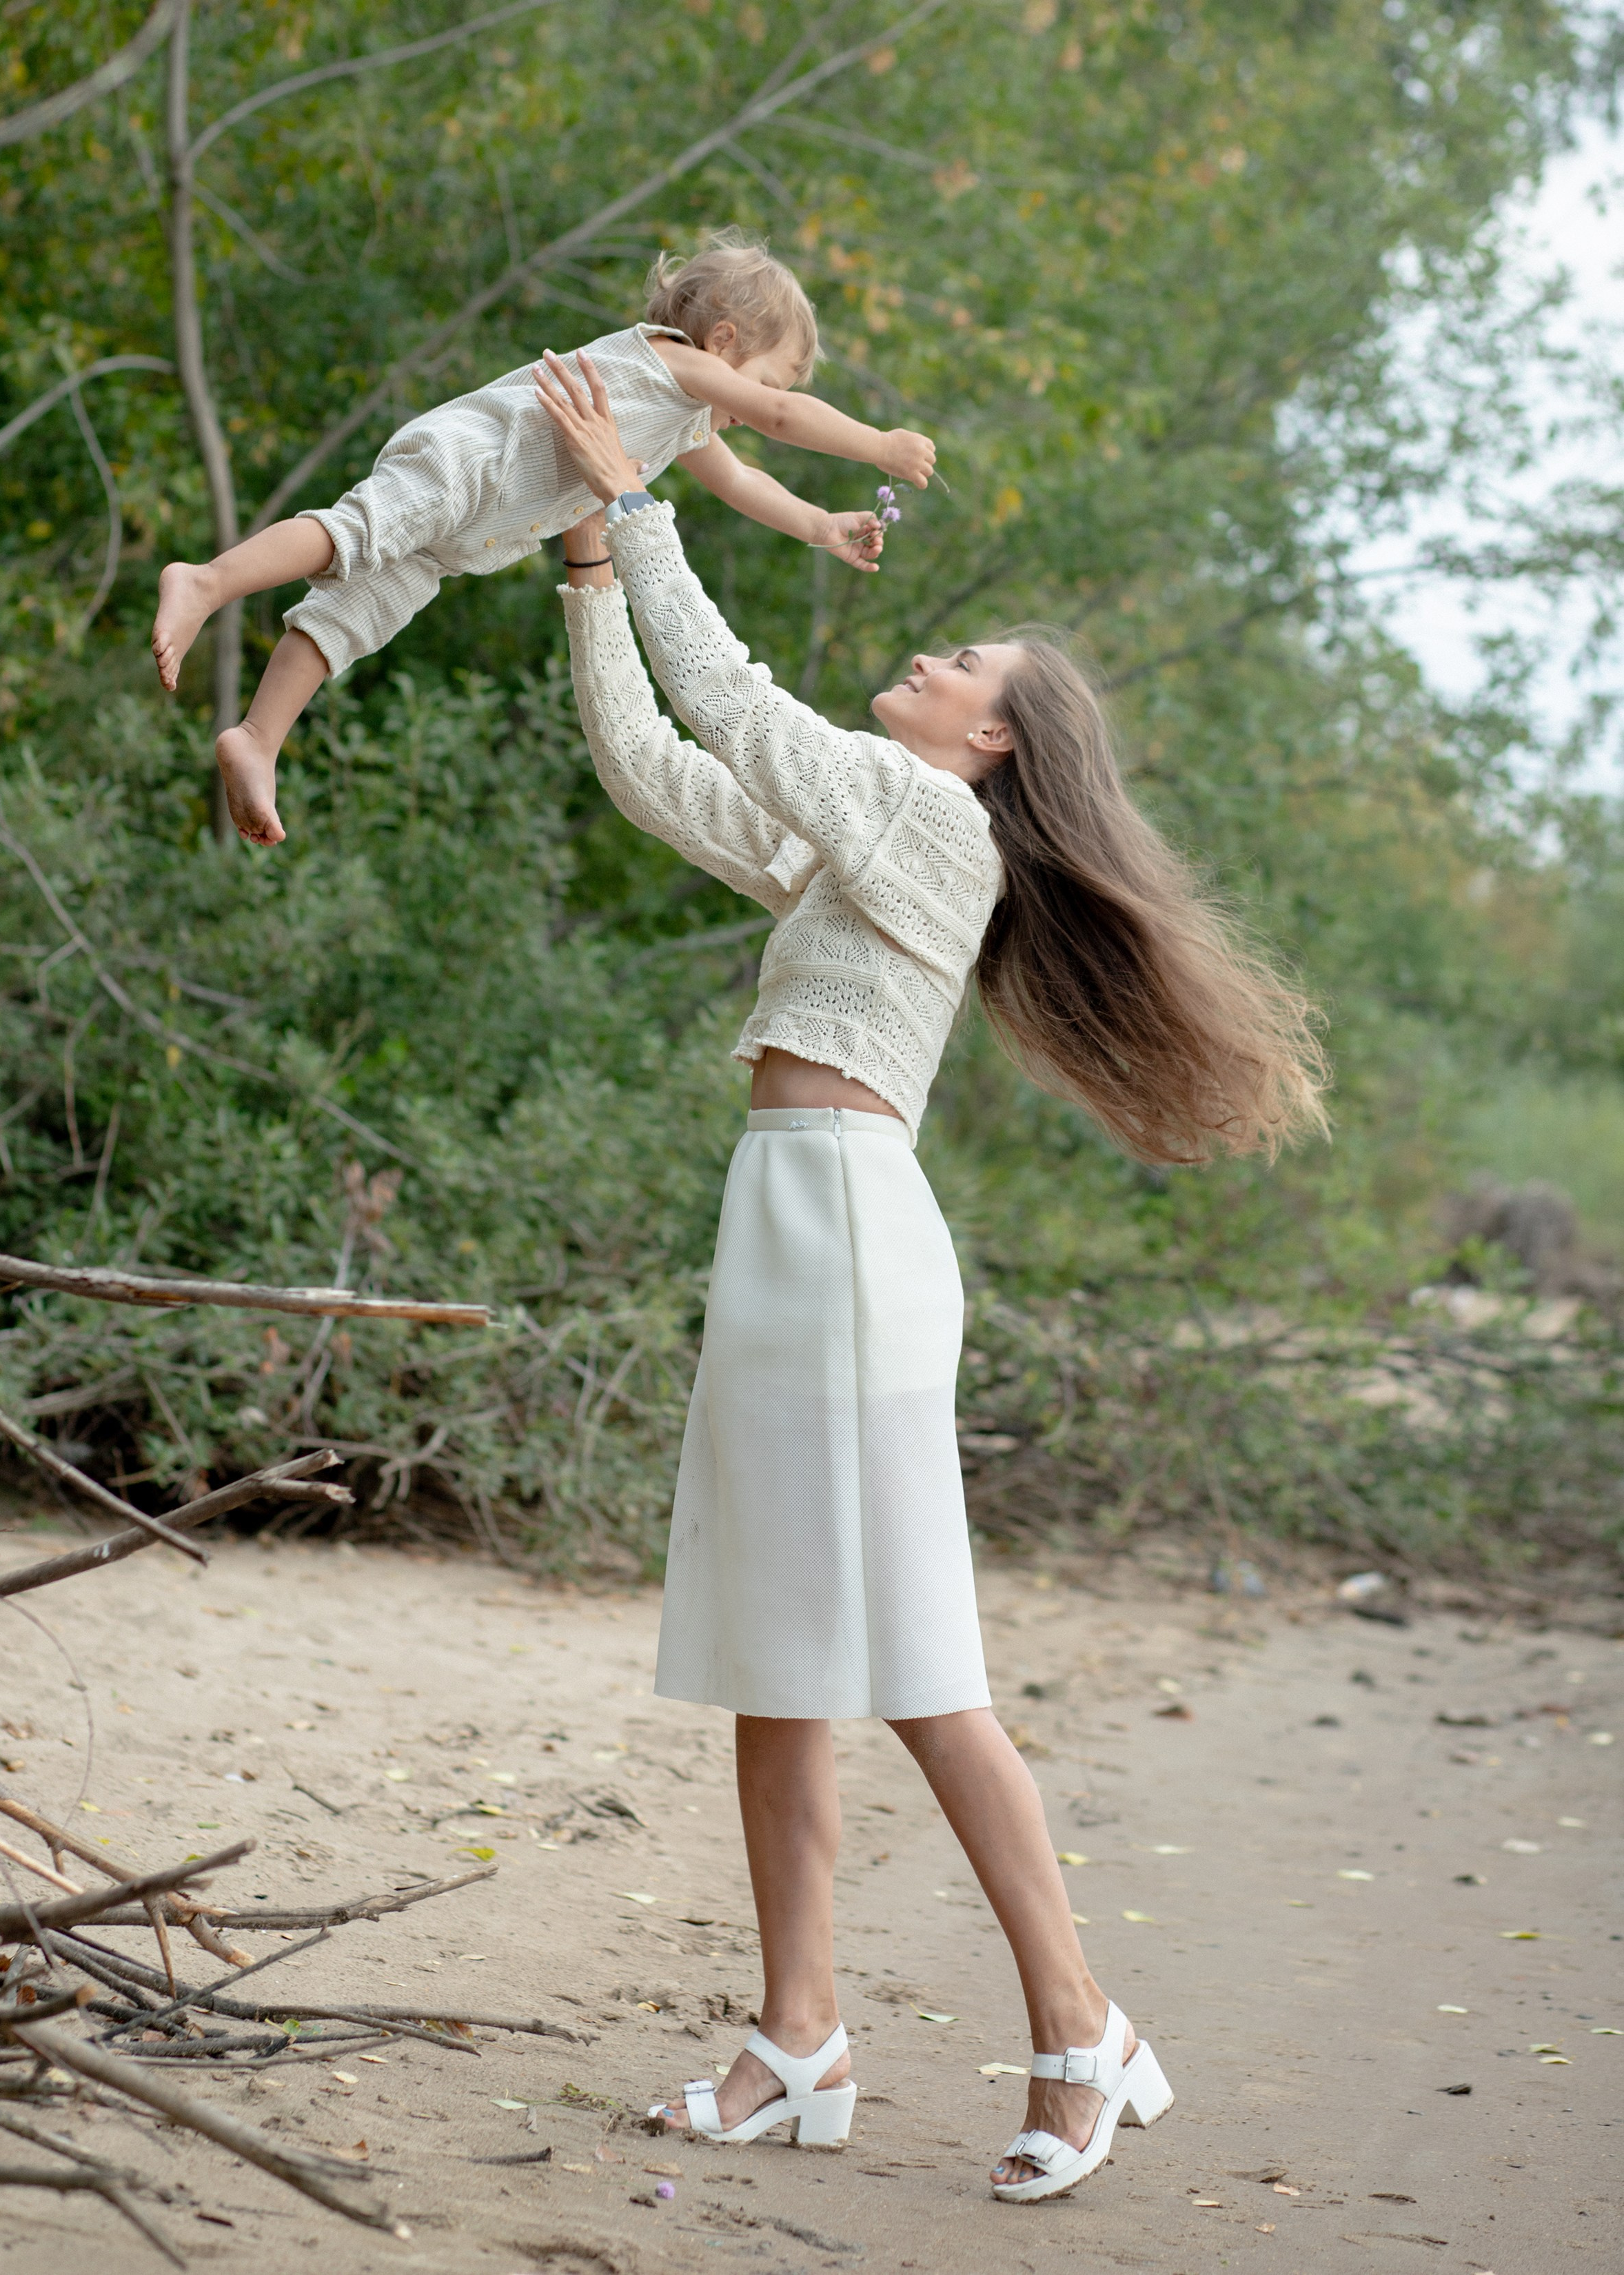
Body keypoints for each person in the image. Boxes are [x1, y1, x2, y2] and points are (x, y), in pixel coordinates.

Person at [534, 350, 1328, 2203]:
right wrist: (588, 575)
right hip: (782, 1218)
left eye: (960, 663)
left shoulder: (932, 825)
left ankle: (1081, 2027)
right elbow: (661, 770)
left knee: (912, 1663)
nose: (928, 656)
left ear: (991, 744)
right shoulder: (857, 840)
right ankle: (796, 2037)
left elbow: (730, 696)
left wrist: (637, 508)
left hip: (852, 1236)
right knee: (773, 1657)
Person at [149, 233, 930, 845]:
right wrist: (879, 446)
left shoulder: (686, 414)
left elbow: (745, 482)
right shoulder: (673, 362)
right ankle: (208, 582)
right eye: (771, 380)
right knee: (353, 537)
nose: (768, 402)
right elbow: (783, 423)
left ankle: (258, 737)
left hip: (472, 534)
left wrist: (821, 526)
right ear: (722, 341)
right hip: (473, 462)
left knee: (350, 614)